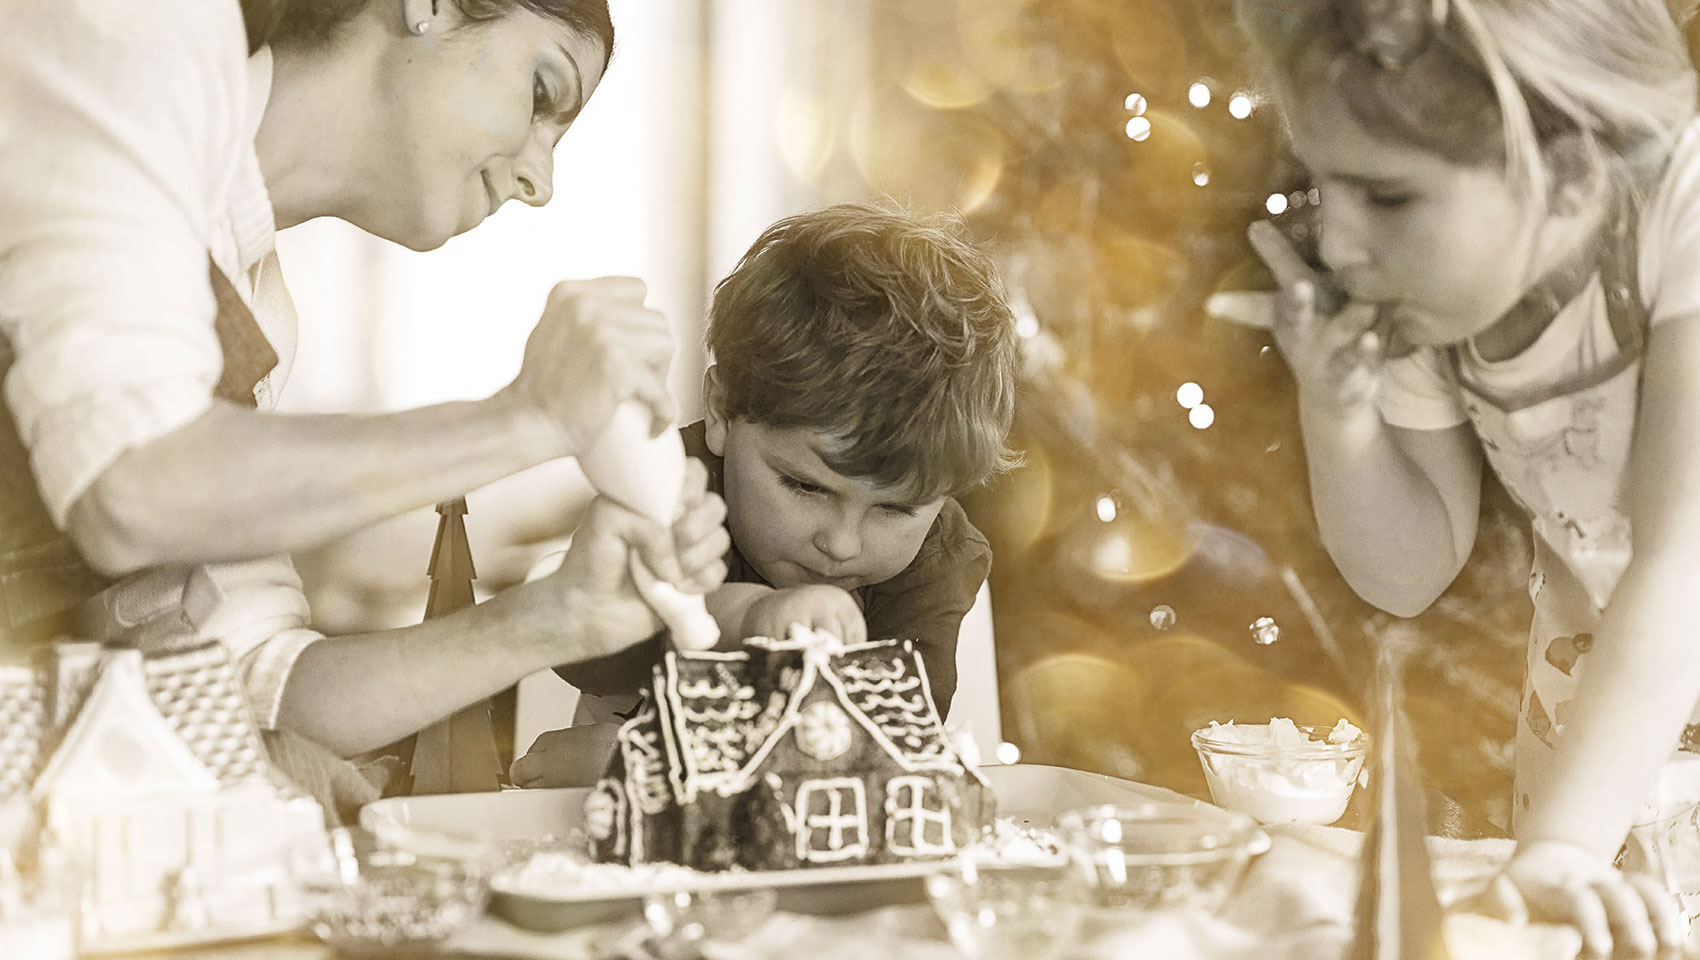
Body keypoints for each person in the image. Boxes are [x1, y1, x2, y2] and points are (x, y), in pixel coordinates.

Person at [0, 0, 728, 814]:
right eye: (540, 91)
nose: (541, 183)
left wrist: (556, 618)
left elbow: (256, 682)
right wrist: (527, 418)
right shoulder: (145, 26)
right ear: (429, 8)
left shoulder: (258, 314)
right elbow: (126, 488)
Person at [1237, 0, 1700, 954]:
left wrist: (1565, 842)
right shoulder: (1435, 290)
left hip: (1608, 767)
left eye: (1390, 197)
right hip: (1589, 761)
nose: (1340, 246)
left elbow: (1682, 564)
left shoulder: (1684, 217)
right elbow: (1406, 570)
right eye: (1328, 190)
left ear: (1565, 177)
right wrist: (1341, 411)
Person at [512, 202, 1020, 787]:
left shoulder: (939, 557)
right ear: (722, 411)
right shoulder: (668, 489)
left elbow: (897, 725)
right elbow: (587, 654)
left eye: (896, 508)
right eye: (805, 486)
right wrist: (748, 617)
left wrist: (652, 758)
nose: (841, 544)